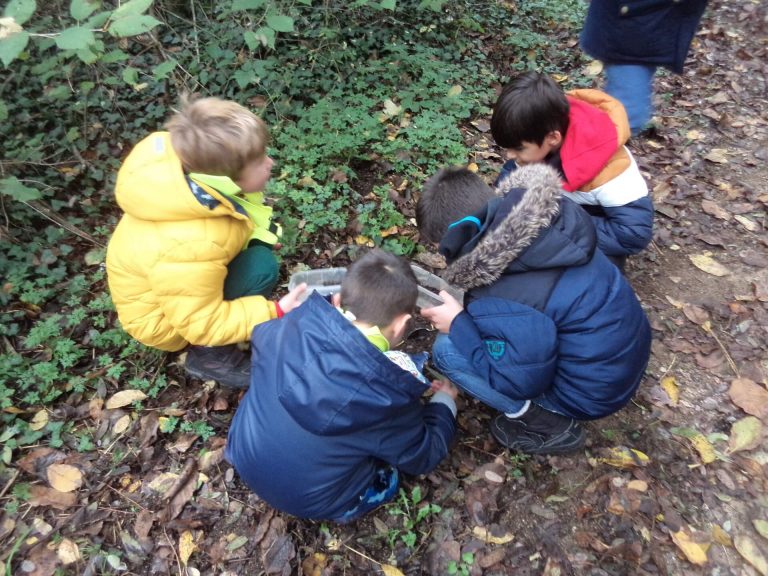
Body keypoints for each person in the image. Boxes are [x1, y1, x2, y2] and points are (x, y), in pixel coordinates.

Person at [417, 165, 651, 454]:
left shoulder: (502, 292)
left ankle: (549, 425)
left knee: (447, 349)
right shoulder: (552, 223)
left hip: (595, 394)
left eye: (439, 245)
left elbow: (519, 381)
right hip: (624, 358)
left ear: (458, 235)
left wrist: (458, 325)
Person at [225, 249, 458, 522]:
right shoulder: (383, 395)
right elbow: (423, 456)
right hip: (309, 501)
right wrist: (444, 404)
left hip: (242, 451)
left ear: (335, 300)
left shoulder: (287, 326)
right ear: (403, 324)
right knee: (389, 476)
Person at [106, 95, 305, 389]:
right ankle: (210, 357)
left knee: (258, 258)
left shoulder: (196, 183)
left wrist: (256, 239)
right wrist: (273, 311)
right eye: (260, 162)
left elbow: (230, 222)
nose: (270, 163)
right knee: (260, 268)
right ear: (230, 180)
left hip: (181, 287)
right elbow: (202, 321)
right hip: (164, 321)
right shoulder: (190, 244)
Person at [491, 71, 653, 269]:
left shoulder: (613, 170)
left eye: (518, 148)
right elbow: (512, 176)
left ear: (553, 138)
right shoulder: (537, 137)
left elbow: (632, 234)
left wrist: (559, 224)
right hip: (561, 216)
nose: (510, 155)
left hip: (590, 232)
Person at [581, 0, 709, 135]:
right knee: (628, 116)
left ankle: (601, 137)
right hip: (625, 34)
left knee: (625, 109)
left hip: (645, 32)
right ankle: (599, 147)